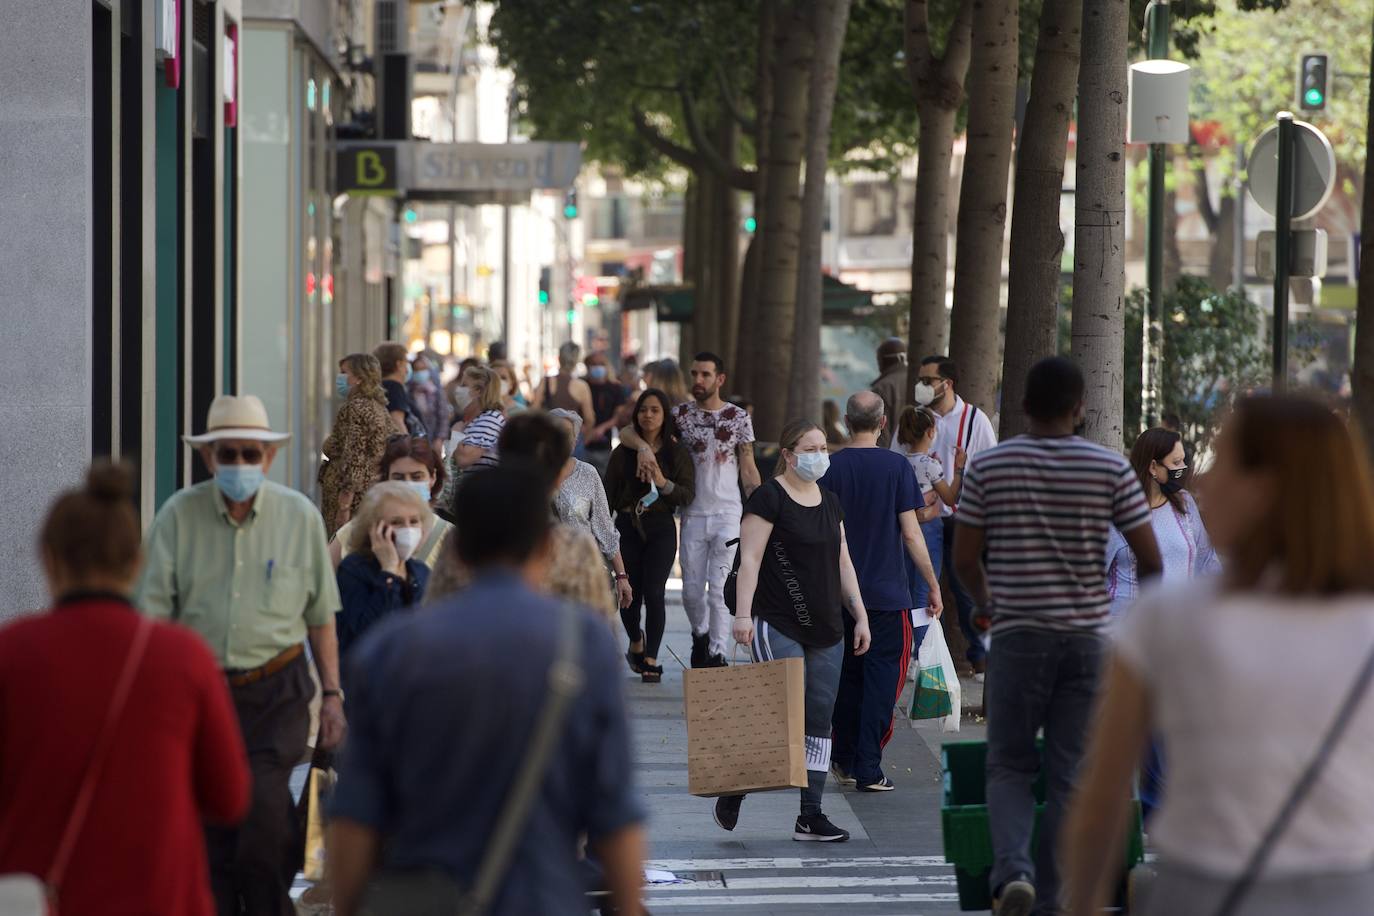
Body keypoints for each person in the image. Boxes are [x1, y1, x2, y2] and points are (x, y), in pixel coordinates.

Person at [1064, 396, 1374, 916]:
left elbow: (1102, 798)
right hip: (1347, 891)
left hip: (1205, 891)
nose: (1201, 482)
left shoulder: (1168, 618)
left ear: (1263, 489)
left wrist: (1084, 901)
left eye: (1221, 463)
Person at [328, 464, 647, 916]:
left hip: (424, 895)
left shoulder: (390, 650)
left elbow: (355, 813)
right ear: (545, 547)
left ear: (456, 549)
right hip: (541, 895)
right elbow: (615, 810)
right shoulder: (583, 645)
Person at [952, 358, 1162, 916]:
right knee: (1072, 770)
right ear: (1080, 410)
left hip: (1019, 636)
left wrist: (988, 603)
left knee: (1009, 764)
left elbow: (965, 558)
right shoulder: (1110, 469)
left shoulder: (991, 467)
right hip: (1089, 642)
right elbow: (1150, 558)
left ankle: (1012, 872)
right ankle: (1051, 896)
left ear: (1023, 406)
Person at [0, 464, 250, 916]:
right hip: (162, 898)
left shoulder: (12, 652)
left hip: (43, 897)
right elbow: (229, 796)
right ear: (136, 563)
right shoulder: (184, 657)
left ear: (50, 560)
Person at [136, 394, 346, 916]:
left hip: (276, 694)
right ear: (209, 458)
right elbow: (152, 615)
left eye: (250, 454)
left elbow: (321, 617)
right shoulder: (177, 517)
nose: (239, 465)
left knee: (264, 817)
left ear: (268, 458)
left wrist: (335, 695)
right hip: (200, 695)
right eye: (227, 454)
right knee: (212, 831)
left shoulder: (298, 518)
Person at [714, 420, 873, 842]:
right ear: (787, 454)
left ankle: (810, 815)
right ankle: (737, 784)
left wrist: (860, 615)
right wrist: (743, 616)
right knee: (779, 714)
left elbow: (843, 563)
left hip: (827, 628)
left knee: (818, 720)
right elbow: (749, 560)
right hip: (776, 621)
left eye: (824, 447)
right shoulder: (768, 499)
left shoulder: (830, 501)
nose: (820, 455)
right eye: (811, 447)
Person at [821, 392, 943, 793]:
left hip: (838, 595)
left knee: (846, 679)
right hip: (888, 596)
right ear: (884, 422)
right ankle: (869, 767)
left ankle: (842, 759)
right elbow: (911, 533)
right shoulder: (896, 467)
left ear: (845, 420)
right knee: (882, 682)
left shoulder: (830, 467)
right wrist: (931, 581)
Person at [623, 352, 762, 668]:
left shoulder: (738, 417)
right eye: (694, 374)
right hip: (692, 513)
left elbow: (749, 466)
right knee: (691, 591)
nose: (698, 380)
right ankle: (700, 636)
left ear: (720, 379)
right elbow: (631, 431)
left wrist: (761, 507)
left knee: (719, 589)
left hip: (728, 511)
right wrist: (645, 447)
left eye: (705, 375)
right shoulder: (680, 416)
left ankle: (717, 653)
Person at [899, 355, 999, 677]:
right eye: (920, 380)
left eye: (927, 380)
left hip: (961, 518)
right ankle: (919, 653)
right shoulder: (915, 418)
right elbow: (895, 461)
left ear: (947, 384)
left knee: (966, 589)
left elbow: (989, 470)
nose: (921, 386)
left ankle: (981, 656)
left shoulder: (975, 420)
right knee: (920, 586)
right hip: (921, 520)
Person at [604, 389, 696, 683]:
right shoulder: (624, 452)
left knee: (655, 593)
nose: (649, 415)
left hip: (661, 528)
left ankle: (652, 659)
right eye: (644, 409)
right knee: (629, 593)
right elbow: (607, 494)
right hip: (627, 526)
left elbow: (686, 494)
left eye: (655, 410)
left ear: (665, 415)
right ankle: (635, 640)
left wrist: (661, 481)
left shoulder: (676, 452)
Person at [1106, 427, 1219, 618]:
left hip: (1178, 629)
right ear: (1152, 467)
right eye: (1176, 462)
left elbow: (1207, 561)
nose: (1183, 467)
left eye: (1183, 460)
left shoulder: (1184, 503)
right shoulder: (1118, 509)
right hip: (1126, 629)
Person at [547, 408, 634, 610]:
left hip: (583, 572)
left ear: (575, 440)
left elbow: (604, 527)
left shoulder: (588, 473)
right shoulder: (531, 474)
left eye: (567, 435)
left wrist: (621, 576)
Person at [335, 482, 432, 659]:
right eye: (396, 522)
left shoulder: (421, 572)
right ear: (374, 528)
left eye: (414, 521)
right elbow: (368, 633)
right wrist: (389, 573)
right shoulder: (353, 569)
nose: (408, 529)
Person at [331, 436, 454, 570]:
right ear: (386, 480)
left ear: (433, 478)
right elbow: (322, 576)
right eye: (398, 478)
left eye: (416, 477)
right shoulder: (356, 530)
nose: (407, 485)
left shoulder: (450, 538)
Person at [894, 405, 967, 615]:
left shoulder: (899, 463)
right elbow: (950, 497)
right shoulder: (930, 465)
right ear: (930, 432)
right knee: (925, 592)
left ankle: (907, 640)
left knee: (906, 585)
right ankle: (922, 644)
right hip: (928, 531)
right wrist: (959, 468)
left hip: (902, 530)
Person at [321, 353, 394, 539]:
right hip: (370, 488)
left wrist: (344, 505)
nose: (340, 377)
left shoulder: (356, 407)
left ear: (359, 378)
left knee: (342, 545)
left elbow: (355, 457)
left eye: (344, 373)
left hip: (351, 497)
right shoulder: (377, 406)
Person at [582, 351, 632, 478]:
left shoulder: (615, 388)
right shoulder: (582, 386)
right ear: (587, 366)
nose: (597, 367)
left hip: (603, 445)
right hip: (582, 443)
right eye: (593, 364)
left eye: (601, 364)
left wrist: (602, 428)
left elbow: (618, 415)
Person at [451, 364, 506, 472]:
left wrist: (456, 432)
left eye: (464, 385)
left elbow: (463, 459)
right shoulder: (475, 420)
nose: (458, 389)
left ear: (478, 391)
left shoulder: (490, 419)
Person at [531, 340, 596, 431]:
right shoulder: (581, 386)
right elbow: (589, 419)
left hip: (549, 435)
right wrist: (578, 435)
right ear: (576, 360)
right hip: (571, 438)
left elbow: (534, 411)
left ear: (559, 358)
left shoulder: (545, 381)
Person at [375, 341, 425, 438]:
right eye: (406, 362)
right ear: (399, 364)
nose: (407, 368)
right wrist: (406, 448)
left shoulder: (380, 387)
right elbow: (397, 421)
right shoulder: (394, 388)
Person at [870, 337, 908, 448]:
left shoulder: (882, 388)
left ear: (883, 360)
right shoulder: (919, 380)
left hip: (893, 455)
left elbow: (881, 434)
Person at [407, 351, 450, 442]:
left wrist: (439, 439)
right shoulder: (408, 391)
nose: (420, 372)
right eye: (417, 369)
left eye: (423, 369)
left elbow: (443, 416)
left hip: (433, 438)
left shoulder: (436, 391)